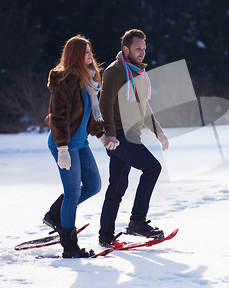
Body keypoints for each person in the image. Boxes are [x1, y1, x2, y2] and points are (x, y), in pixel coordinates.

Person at [43, 34, 118, 258]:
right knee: (73, 192)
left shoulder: (88, 80)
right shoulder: (66, 79)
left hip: (80, 143)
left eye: (90, 51)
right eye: (85, 52)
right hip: (63, 143)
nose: (90, 55)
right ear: (75, 55)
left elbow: (87, 116)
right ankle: (70, 246)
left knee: (93, 185)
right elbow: (59, 116)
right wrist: (63, 148)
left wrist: (102, 137)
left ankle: (56, 214)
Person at [98, 29, 169, 247]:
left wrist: (158, 131)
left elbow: (144, 107)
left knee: (118, 186)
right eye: (138, 48)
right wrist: (109, 134)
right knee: (152, 168)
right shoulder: (115, 71)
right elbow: (104, 103)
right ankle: (137, 221)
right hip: (119, 135)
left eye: (144, 49)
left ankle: (106, 235)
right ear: (125, 49)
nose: (142, 53)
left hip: (130, 135)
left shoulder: (137, 72)